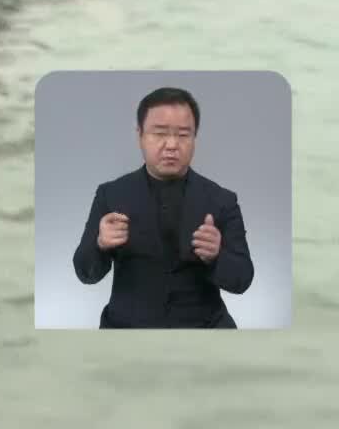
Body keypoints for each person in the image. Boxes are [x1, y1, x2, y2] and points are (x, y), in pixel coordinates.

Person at [73, 87, 254, 328]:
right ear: (140, 134)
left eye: (183, 135)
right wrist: (100, 245)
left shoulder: (222, 200)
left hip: (205, 330)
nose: (171, 145)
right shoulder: (111, 194)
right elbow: (85, 273)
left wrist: (216, 255)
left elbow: (242, 280)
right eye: (159, 133)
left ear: (194, 137)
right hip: (126, 330)